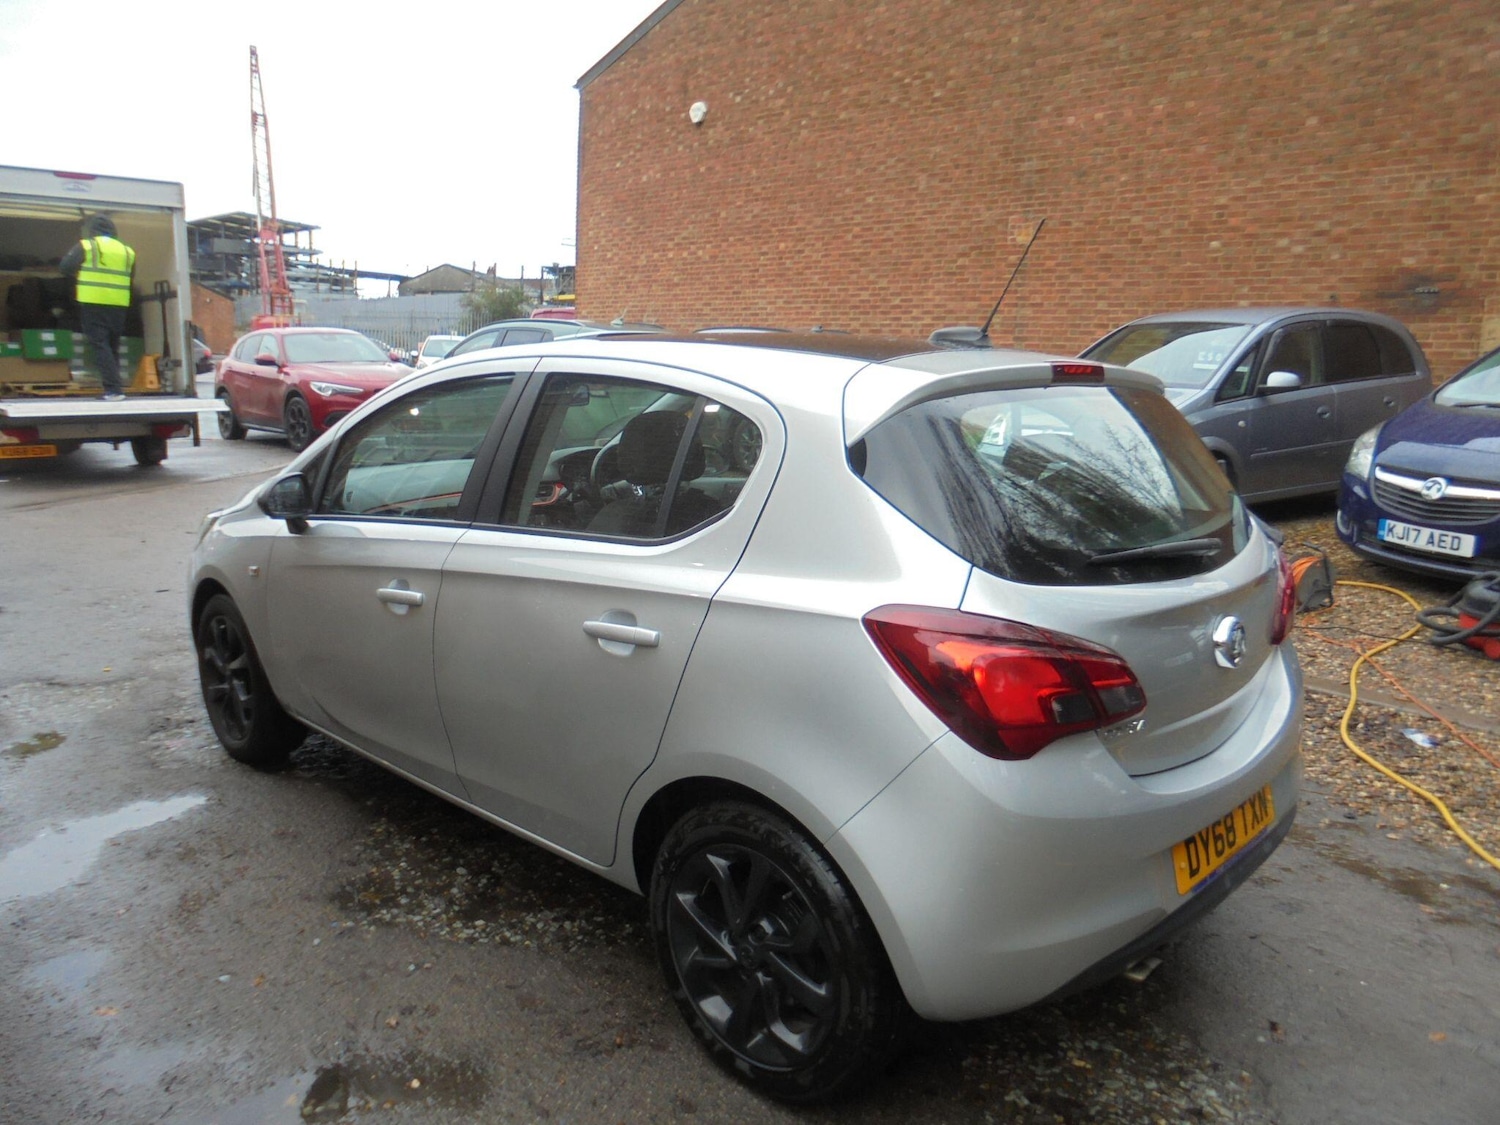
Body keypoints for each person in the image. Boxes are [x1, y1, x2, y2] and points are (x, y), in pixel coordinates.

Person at [60, 215, 136, 401]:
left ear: (92, 231)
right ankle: (116, 387)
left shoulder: (88, 245)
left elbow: (65, 267)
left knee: (100, 345)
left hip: (94, 302)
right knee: (112, 346)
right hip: (119, 304)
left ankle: (114, 391)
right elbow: (131, 276)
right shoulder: (127, 251)